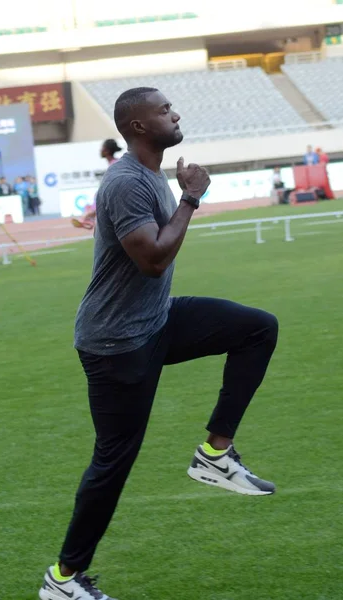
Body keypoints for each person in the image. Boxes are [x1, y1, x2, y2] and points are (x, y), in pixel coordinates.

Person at [39, 87, 279, 600]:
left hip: (155, 321)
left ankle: (215, 455)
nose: (176, 114)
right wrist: (192, 197)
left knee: (258, 327)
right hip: (116, 343)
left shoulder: (150, 174)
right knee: (113, 463)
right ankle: (63, 580)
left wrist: (182, 194)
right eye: (165, 110)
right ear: (139, 126)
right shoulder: (126, 182)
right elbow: (152, 259)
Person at [72, 139, 122, 230]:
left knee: (97, 202)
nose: (100, 150)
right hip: (113, 196)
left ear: (107, 151)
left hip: (115, 197)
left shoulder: (114, 165)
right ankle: (88, 218)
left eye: (102, 148)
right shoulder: (115, 163)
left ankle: (87, 218)